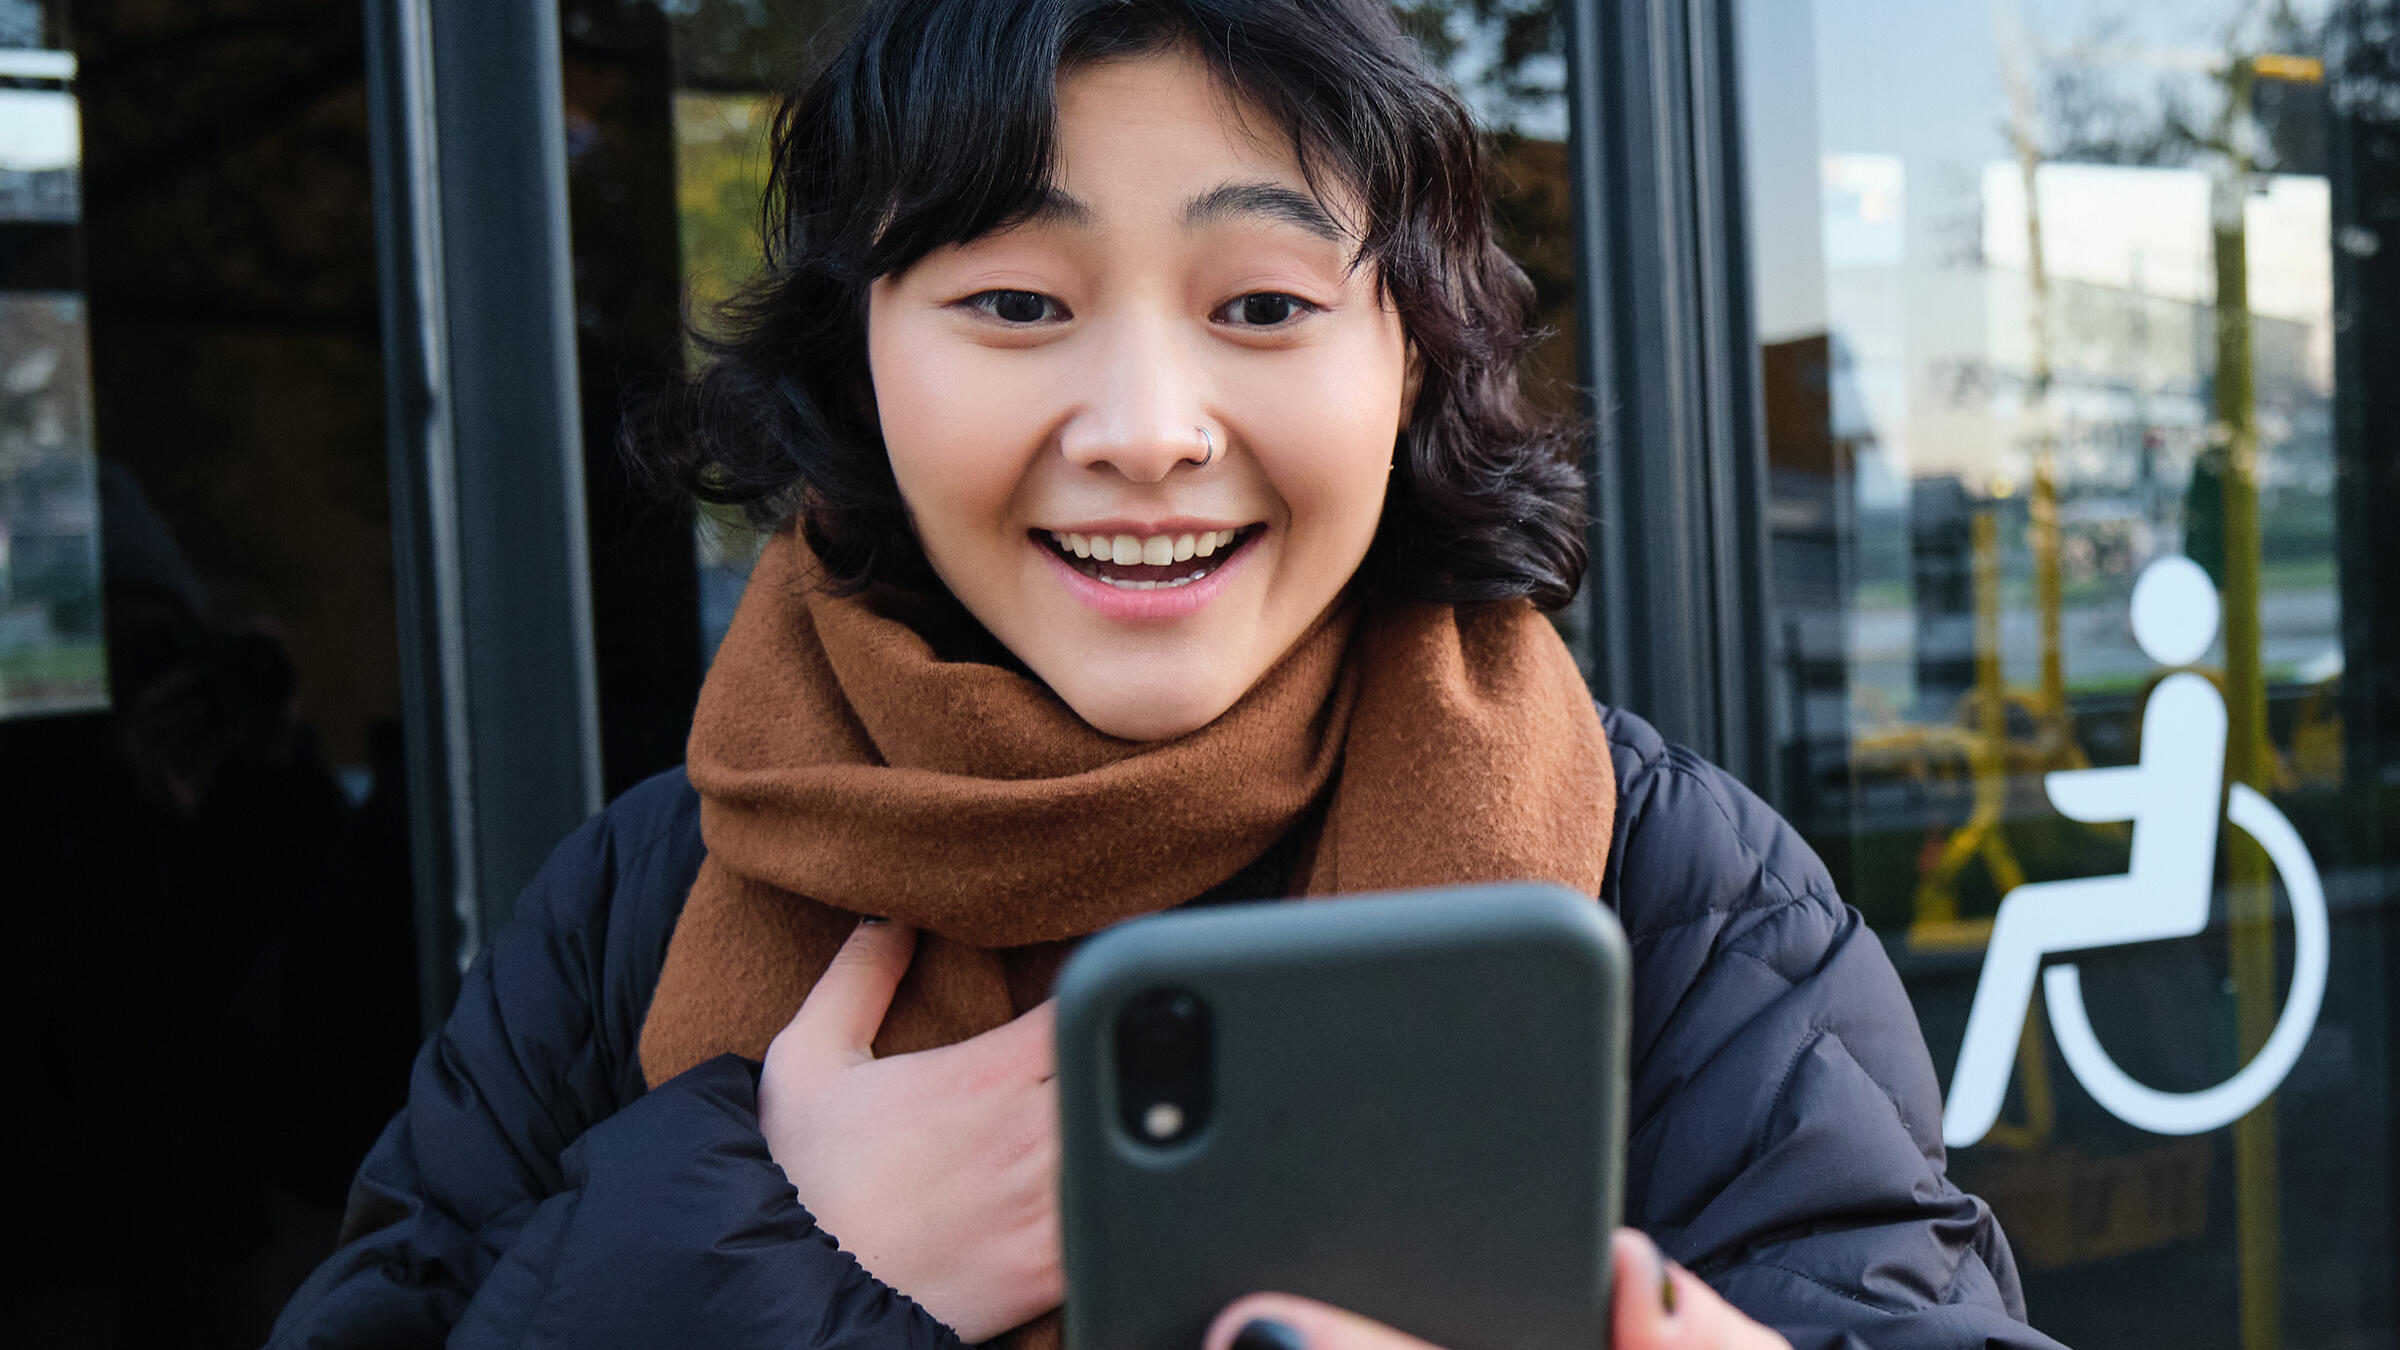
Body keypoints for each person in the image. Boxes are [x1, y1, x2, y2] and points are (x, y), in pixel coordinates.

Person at [269, 2, 2064, 1348]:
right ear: (860, 357)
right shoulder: (637, 902)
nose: (1143, 429)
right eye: (1015, 303)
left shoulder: (1677, 890)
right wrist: (764, 1251)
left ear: (1411, 358)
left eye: (1262, 305)